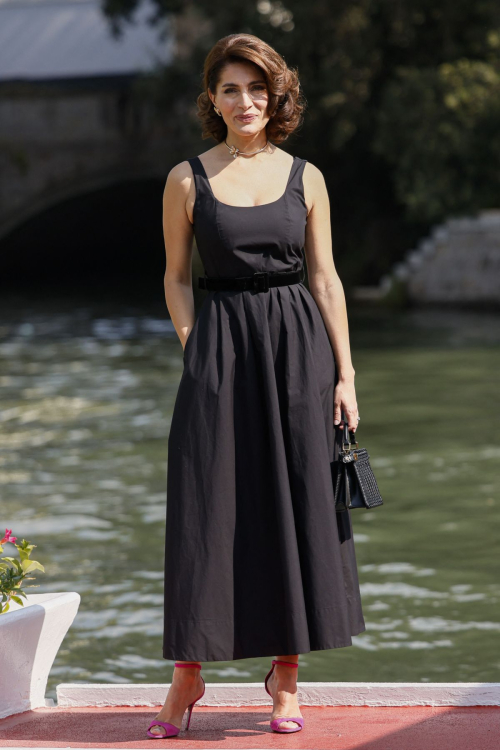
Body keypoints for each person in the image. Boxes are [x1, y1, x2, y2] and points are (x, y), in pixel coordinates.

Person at [147, 32, 365, 739]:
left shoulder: (308, 177)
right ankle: (189, 675)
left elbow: (325, 280)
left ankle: (286, 678)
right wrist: (194, 345)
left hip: (298, 350)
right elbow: (177, 278)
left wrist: (346, 376)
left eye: (257, 88)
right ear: (212, 98)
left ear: (277, 97)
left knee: (295, 504)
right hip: (219, 346)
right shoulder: (188, 178)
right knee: (205, 507)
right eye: (231, 88)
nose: (245, 101)